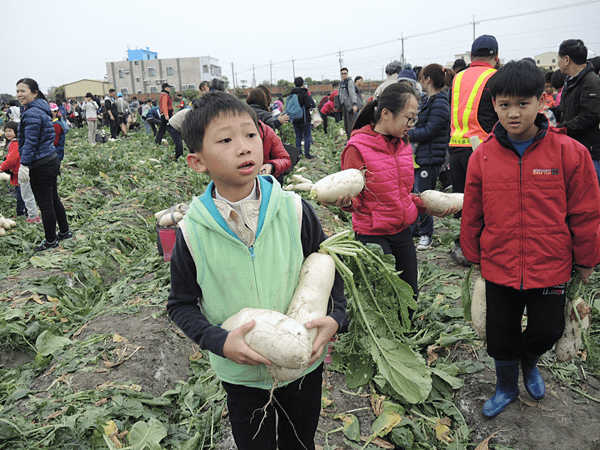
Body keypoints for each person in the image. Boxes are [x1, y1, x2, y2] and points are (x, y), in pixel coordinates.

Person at [167, 91, 347, 450]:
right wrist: (220, 341)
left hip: (303, 367)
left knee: (301, 442)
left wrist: (337, 317)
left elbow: (328, 271)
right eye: (226, 140)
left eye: (251, 135)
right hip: (243, 378)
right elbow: (181, 305)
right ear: (197, 161)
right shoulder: (190, 232)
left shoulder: (295, 210)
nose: (244, 147)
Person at [460, 59, 600, 418]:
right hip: (500, 264)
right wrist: (473, 253)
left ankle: (529, 363)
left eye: (523, 104)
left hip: (551, 266)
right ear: (494, 105)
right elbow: (473, 209)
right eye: (504, 105)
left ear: (542, 101)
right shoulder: (483, 157)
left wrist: (586, 260)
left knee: (547, 329)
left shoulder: (570, 153)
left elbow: (586, 212)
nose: (513, 114)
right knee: (500, 334)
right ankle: (505, 386)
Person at [330, 83, 457, 306]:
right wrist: (346, 203)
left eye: (414, 118)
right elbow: (356, 199)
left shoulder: (403, 144)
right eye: (409, 118)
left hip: (402, 230)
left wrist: (429, 206)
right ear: (386, 114)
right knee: (384, 300)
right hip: (373, 234)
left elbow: (403, 193)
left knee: (409, 296)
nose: (412, 125)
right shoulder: (356, 148)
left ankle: (405, 339)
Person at [448, 34, 499, 264]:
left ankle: (463, 248)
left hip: (455, 147)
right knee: (485, 202)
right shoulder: (495, 77)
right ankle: (482, 250)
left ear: (471, 56)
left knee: (464, 202)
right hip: (481, 148)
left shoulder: (457, 78)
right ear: (496, 57)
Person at [16, 78, 72, 252]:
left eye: (23, 91)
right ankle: (64, 232)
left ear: (34, 92)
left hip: (40, 163)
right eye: (17, 91)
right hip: (50, 158)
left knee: (46, 204)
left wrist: (24, 164)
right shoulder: (41, 108)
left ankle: (50, 241)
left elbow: (30, 142)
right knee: (53, 199)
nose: (19, 94)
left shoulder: (32, 112)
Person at [407, 64, 454, 251]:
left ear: (428, 80)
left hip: (431, 157)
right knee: (415, 195)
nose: (420, 81)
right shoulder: (429, 100)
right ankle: (415, 229)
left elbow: (430, 131)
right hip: (422, 156)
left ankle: (427, 235)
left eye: (422, 78)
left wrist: (409, 133)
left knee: (425, 199)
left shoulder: (441, 103)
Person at [552, 39, 600, 183]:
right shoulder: (571, 81)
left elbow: (590, 116)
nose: (558, 62)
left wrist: (560, 129)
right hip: (575, 150)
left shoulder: (591, 81)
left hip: (590, 154)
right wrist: (548, 112)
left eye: (558, 58)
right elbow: (564, 109)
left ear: (566, 59)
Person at [1, 121, 41, 223]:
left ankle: (25, 216)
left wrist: (1, 167)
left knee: (23, 196)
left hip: (20, 174)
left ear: (16, 131)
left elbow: (11, 160)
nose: (7, 133)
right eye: (6, 131)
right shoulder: (15, 143)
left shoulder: (15, 143)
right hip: (19, 173)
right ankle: (28, 214)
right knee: (25, 195)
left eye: (10, 131)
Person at [155, 83, 184, 159]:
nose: (169, 89)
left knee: (163, 128)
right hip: (166, 114)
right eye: (169, 87)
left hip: (167, 113)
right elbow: (164, 105)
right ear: (165, 88)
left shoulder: (164, 95)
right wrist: (166, 115)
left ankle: (157, 141)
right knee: (168, 128)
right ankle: (176, 141)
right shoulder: (165, 95)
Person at [290, 77, 316, 159]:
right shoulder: (304, 92)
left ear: (295, 84)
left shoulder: (292, 93)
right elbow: (308, 105)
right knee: (307, 135)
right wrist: (310, 108)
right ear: (302, 84)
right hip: (304, 118)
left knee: (298, 136)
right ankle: (307, 154)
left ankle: (299, 154)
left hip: (295, 119)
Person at [339, 67, 358, 137]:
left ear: (347, 74)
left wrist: (354, 104)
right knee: (346, 123)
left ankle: (352, 139)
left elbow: (352, 93)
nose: (343, 75)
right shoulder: (341, 83)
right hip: (344, 105)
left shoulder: (349, 82)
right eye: (342, 73)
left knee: (350, 123)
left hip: (350, 105)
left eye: (345, 73)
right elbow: (340, 94)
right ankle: (348, 139)